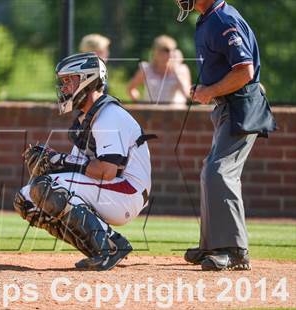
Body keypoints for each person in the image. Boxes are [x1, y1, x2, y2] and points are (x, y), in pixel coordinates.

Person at [14, 52, 155, 271]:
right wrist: (55, 163)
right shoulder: (88, 117)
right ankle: (95, 248)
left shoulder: (109, 115)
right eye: (64, 82)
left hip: (127, 191)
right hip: (113, 190)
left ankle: (110, 245)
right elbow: (80, 167)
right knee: (26, 199)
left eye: (69, 80)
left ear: (88, 79)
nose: (65, 87)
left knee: (46, 187)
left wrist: (58, 160)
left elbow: (106, 171)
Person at [174, 0, 276, 271]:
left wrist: (210, 91)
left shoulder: (222, 19)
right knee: (211, 169)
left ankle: (234, 251)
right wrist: (209, 88)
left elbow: (244, 71)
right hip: (229, 106)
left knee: (219, 172)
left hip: (240, 105)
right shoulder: (210, 18)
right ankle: (212, 245)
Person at [127, 35, 191, 106]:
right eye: (165, 50)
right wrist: (138, 104)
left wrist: (176, 71)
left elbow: (187, 95)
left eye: (172, 50)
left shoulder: (182, 69)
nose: (169, 54)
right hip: (151, 114)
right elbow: (130, 88)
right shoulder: (146, 69)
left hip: (175, 114)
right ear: (156, 51)